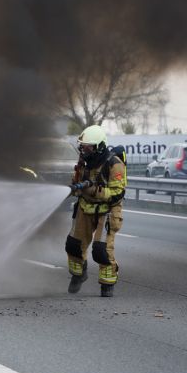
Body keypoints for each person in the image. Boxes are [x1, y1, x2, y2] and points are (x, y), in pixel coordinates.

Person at [65, 125, 126, 297]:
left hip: (107, 211)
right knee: (73, 245)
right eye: (82, 146)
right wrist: (74, 189)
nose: (83, 150)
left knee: (101, 249)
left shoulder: (114, 164)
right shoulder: (83, 163)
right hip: (85, 207)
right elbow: (77, 183)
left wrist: (95, 190)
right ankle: (78, 275)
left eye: (88, 146)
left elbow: (117, 195)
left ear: (99, 147)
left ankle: (107, 285)